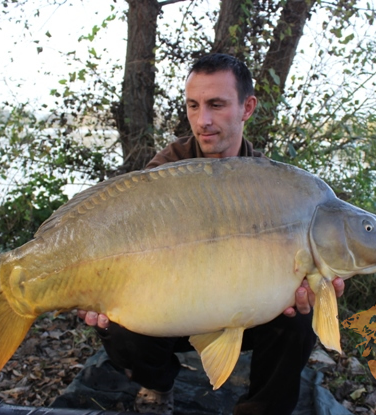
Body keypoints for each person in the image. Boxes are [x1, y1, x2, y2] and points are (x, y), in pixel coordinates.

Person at [78, 53, 345, 415]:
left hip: (246, 310)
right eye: (193, 105)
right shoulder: (163, 172)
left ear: (246, 107)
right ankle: (158, 387)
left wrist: (310, 283)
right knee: (118, 325)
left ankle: (261, 409)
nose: (202, 121)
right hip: (173, 312)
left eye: (216, 105)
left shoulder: (274, 187)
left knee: (300, 313)